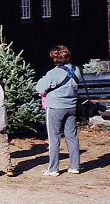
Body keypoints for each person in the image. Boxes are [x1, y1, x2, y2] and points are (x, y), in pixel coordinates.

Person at [35, 45, 81, 176]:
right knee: (72, 137)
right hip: (71, 106)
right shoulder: (76, 69)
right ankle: (74, 166)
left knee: (54, 138)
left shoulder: (53, 73)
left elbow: (40, 89)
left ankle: (53, 168)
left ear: (55, 58)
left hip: (55, 107)